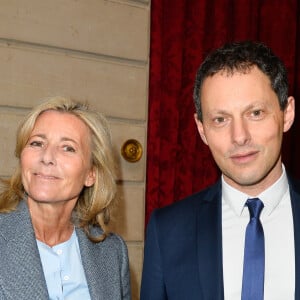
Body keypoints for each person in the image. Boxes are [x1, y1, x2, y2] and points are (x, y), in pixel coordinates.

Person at [140, 41, 300, 300]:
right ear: (202, 129)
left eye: (256, 113)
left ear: (287, 113)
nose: (239, 137)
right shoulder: (168, 231)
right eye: (220, 120)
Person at [0, 96, 131, 299]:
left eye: (67, 147)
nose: (47, 157)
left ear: (91, 174)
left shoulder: (112, 253)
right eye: (36, 143)